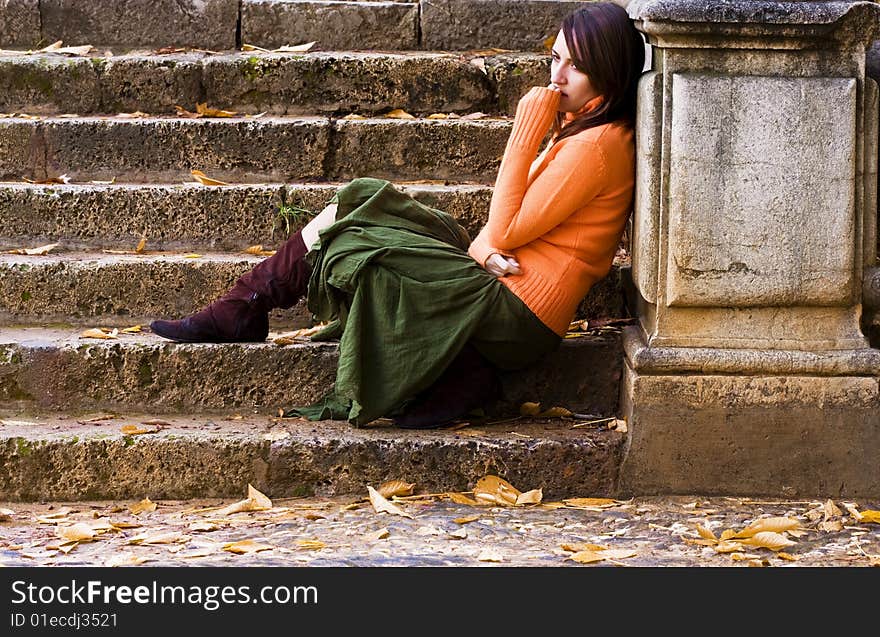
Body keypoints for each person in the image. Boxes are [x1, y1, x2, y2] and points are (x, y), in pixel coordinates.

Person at [150, 1, 645, 428]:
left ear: (608, 74)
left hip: (515, 313)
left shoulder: (597, 145)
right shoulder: (585, 128)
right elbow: (490, 240)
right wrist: (486, 247)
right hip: (499, 283)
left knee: (367, 245)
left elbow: (507, 227)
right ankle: (245, 304)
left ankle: (464, 369)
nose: (555, 78)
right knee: (362, 197)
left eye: (574, 68)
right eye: (556, 58)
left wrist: (524, 130)